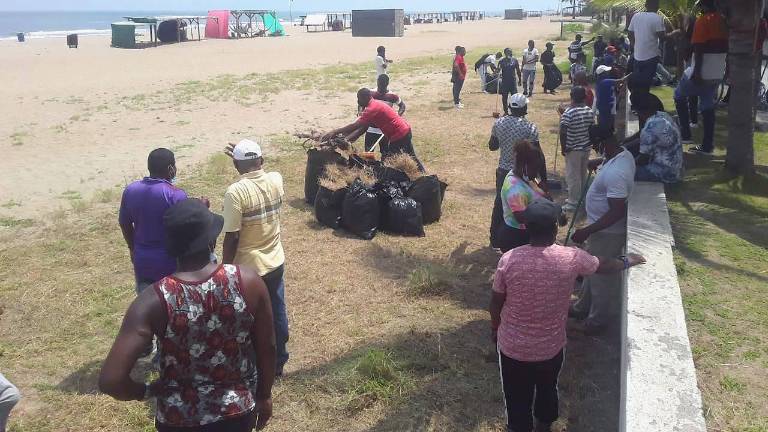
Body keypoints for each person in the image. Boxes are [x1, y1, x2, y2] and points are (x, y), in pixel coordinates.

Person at [99, 199, 276, 432]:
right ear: (212, 241)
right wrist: (264, 395)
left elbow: (111, 380)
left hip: (178, 420)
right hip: (236, 413)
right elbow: (267, 347)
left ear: (170, 247)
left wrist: (145, 391)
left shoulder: (153, 301)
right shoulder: (248, 282)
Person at [490, 198, 645, 432]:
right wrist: (627, 261)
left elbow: (496, 303)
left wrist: (495, 328)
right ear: (555, 228)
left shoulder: (509, 259)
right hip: (550, 349)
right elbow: (602, 265)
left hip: (513, 349)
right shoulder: (572, 257)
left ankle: (518, 427)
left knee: (516, 395)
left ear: (527, 228)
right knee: (547, 387)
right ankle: (544, 425)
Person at [221, 139, 290, 376]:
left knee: (248, 318)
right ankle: (278, 359)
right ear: (261, 160)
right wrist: (249, 157)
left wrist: (225, 268)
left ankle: (252, 364)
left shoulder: (235, 192)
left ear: (236, 165)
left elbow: (232, 236)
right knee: (276, 311)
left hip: (248, 269)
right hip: (275, 261)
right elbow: (262, 170)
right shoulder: (276, 180)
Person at [570, 124, 636, 334]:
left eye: (595, 146)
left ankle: (598, 321)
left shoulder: (617, 173)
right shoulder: (619, 154)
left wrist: (587, 231)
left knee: (601, 278)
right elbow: (608, 159)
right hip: (599, 230)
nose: (595, 150)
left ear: (602, 143)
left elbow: (617, 211)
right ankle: (582, 307)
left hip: (608, 234)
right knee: (591, 271)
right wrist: (599, 162)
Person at [119, 148, 189, 295]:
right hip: (170, 263)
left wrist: (132, 248)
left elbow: (124, 223)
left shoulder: (130, 190)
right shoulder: (175, 195)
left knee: (148, 304)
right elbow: (185, 230)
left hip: (143, 261)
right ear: (170, 168)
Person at [321, 88, 424, 170]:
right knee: (411, 155)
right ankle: (423, 174)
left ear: (365, 97)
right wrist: (345, 140)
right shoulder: (374, 105)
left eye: (359, 98)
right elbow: (362, 129)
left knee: (390, 160)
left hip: (398, 134)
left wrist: (334, 131)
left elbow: (355, 125)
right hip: (405, 130)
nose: (358, 101)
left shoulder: (371, 109)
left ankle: (391, 180)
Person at [674, 0, 728, 154]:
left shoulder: (703, 21)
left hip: (701, 71)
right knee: (707, 105)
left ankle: (686, 135)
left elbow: (699, 49)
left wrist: (697, 72)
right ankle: (707, 145)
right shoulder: (724, 21)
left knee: (678, 95)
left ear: (703, 6)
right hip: (717, 72)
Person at [489, 94, 541, 248]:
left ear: (510, 107)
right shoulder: (530, 127)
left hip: (503, 171)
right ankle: (525, 240)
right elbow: (537, 153)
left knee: (500, 204)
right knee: (524, 206)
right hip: (523, 173)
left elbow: (492, 146)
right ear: (525, 108)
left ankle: (495, 239)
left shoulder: (499, 123)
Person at [495, 140, 549, 253]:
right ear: (524, 165)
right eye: (535, 169)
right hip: (516, 237)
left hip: (525, 234)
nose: (536, 174)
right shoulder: (515, 189)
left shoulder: (525, 177)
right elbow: (520, 218)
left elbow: (539, 193)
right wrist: (548, 213)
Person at [629, 92, 683, 183]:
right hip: (675, 169)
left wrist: (627, 165)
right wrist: (625, 142)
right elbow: (641, 135)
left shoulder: (650, 128)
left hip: (663, 173)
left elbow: (643, 159)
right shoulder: (662, 115)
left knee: (621, 172)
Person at [627, 0, 677, 93]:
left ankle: (637, 99)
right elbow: (663, 37)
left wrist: (635, 46)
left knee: (638, 82)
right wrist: (675, 33)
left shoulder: (636, 16)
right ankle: (643, 99)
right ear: (657, 6)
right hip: (651, 57)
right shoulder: (657, 18)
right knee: (646, 84)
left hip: (637, 57)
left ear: (646, 5)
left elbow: (629, 34)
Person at [560, 86, 595, 213]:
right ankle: (582, 198)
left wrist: (564, 147)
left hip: (573, 149)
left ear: (571, 97)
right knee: (582, 174)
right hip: (586, 147)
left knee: (573, 176)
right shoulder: (589, 111)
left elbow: (563, 131)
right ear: (585, 97)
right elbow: (592, 128)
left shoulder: (568, 113)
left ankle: (573, 203)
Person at [364, 74, 407, 151]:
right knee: (368, 152)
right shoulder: (371, 93)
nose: (381, 87)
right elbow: (361, 102)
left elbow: (402, 106)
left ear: (387, 84)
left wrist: (398, 115)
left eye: (383, 85)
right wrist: (360, 111)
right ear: (377, 82)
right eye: (380, 84)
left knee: (385, 153)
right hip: (371, 129)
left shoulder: (392, 96)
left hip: (385, 131)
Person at [595, 66, 631, 130]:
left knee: (608, 123)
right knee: (605, 125)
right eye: (606, 72)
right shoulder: (604, 81)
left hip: (606, 106)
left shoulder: (602, 81)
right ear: (603, 73)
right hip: (604, 107)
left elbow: (618, 85)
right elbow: (620, 81)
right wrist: (631, 74)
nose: (608, 72)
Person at [499, 48, 522, 114]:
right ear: (505, 53)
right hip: (505, 82)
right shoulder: (502, 61)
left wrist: (520, 79)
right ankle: (506, 111)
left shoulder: (515, 60)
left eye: (510, 52)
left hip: (513, 82)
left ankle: (514, 111)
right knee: (504, 98)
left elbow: (518, 70)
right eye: (508, 52)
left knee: (514, 98)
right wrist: (496, 72)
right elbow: (498, 70)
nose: (510, 53)